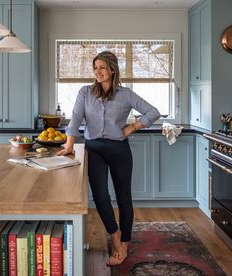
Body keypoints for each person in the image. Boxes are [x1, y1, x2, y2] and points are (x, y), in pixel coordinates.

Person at [57, 51, 161, 265]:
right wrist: (69, 145)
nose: (98, 72)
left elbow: (153, 112)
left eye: (102, 67)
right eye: (95, 68)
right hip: (93, 149)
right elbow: (75, 118)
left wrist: (132, 127)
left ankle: (125, 242)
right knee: (101, 197)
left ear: (112, 69)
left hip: (119, 150)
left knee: (124, 198)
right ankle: (114, 237)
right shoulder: (85, 92)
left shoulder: (126, 94)